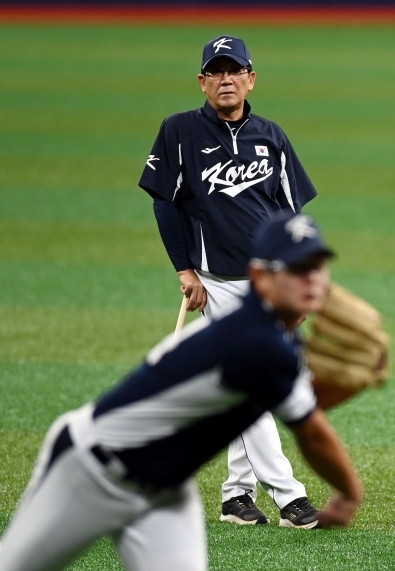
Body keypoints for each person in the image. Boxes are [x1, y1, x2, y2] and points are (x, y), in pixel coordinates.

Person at [0, 213, 363, 571]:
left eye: (318, 266)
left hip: (164, 488)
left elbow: (295, 404)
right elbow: (312, 433)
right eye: (298, 269)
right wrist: (349, 493)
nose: (313, 279)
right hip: (91, 470)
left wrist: (347, 385)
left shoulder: (269, 333)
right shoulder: (255, 342)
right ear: (261, 277)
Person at [138, 35, 320, 527]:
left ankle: (236, 495)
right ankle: (290, 497)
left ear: (250, 78)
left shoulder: (271, 136)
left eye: (234, 70)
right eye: (215, 72)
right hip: (217, 282)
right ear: (202, 81)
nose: (225, 79)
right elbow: (164, 202)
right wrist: (184, 268)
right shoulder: (178, 131)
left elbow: (292, 217)